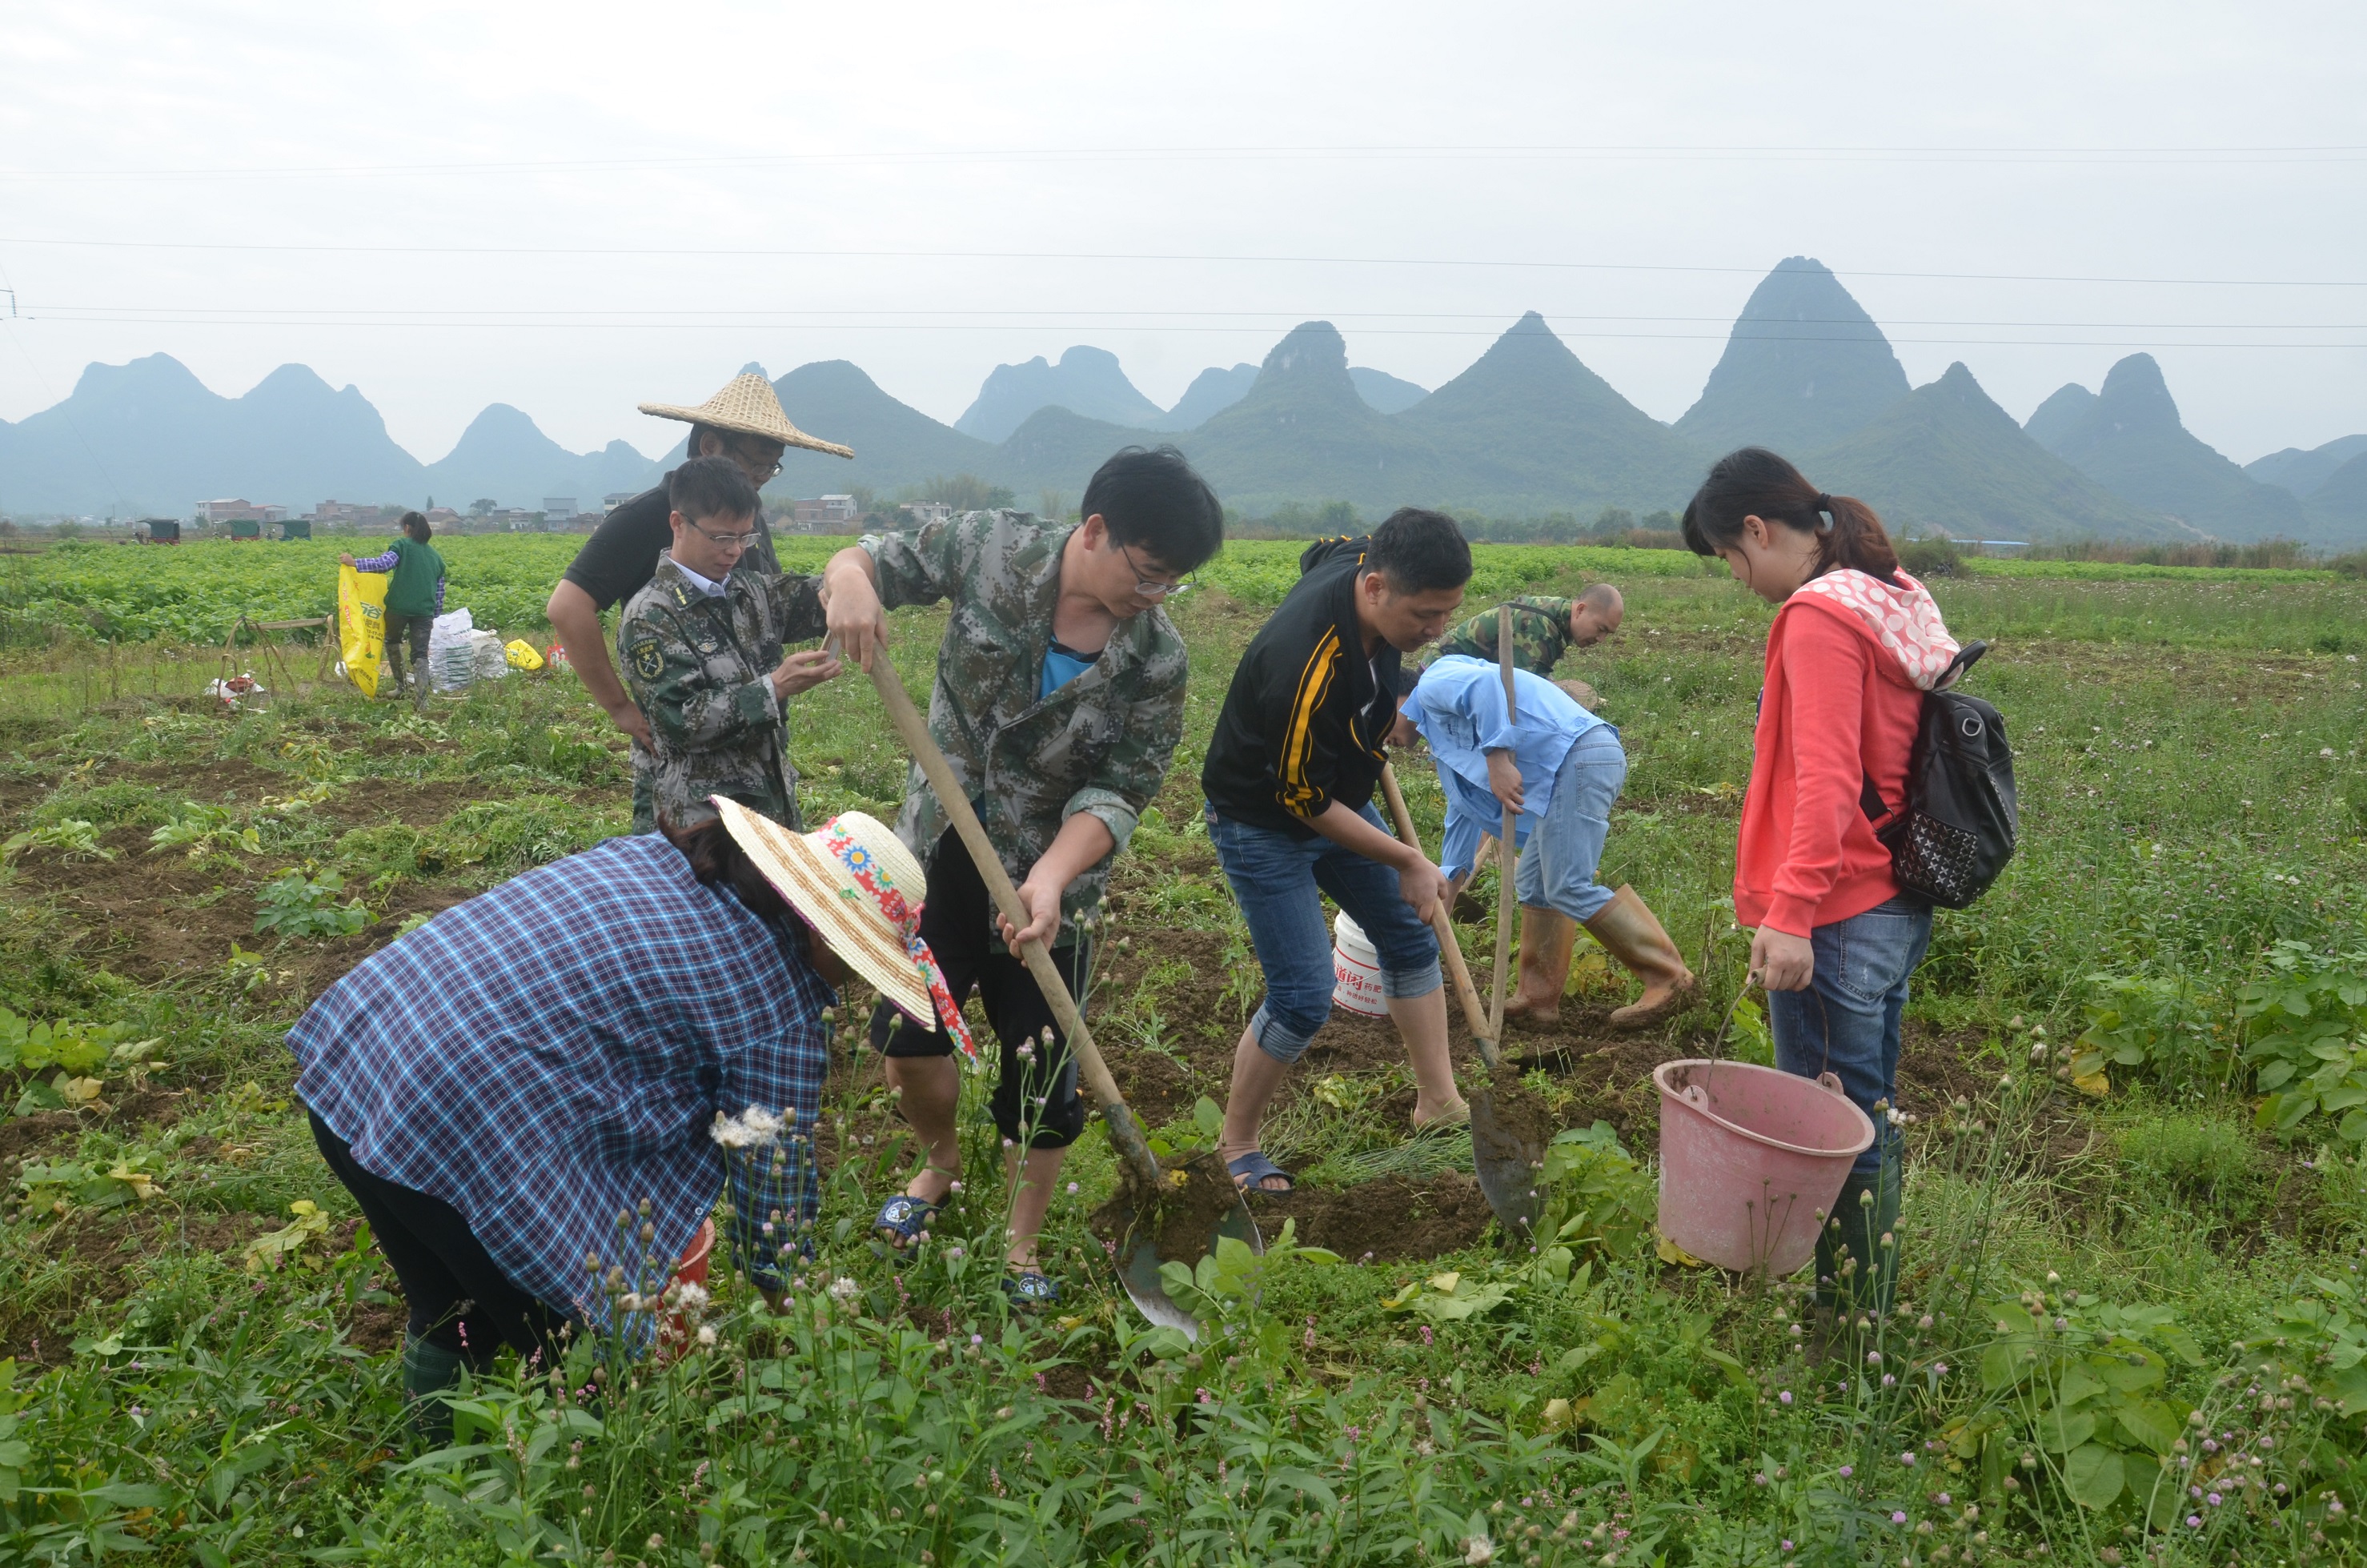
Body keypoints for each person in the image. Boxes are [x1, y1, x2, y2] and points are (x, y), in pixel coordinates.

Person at [287, 800, 972, 1439]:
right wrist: (802, 1331)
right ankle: (560, 1498)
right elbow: (774, 1197)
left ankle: (419, 1468)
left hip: (358, 1055)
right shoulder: (778, 1006)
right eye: (860, 963)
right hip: (458, 1125)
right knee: (576, 1354)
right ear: (827, 932)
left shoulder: (661, 856)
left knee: (451, 1310)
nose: (852, 982)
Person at [823, 445, 1226, 1307]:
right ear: (1094, 531)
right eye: (1148, 573)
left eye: (1170, 584)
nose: (1153, 596)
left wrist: (1049, 876)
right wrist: (848, 576)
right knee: (909, 1040)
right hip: (935, 856)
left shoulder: (1156, 659)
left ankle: (1021, 1245)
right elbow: (875, 558)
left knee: (1042, 1068)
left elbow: (1122, 785)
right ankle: (939, 1165)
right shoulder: (991, 548)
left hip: (1051, 889)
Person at [1681, 446, 1956, 1315]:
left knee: (1836, 1128)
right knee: (1867, 1110)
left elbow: (1828, 779)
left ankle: (1846, 1324)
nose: (1735, 577)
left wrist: (1790, 913)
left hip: (1837, 908)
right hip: (1892, 895)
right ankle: (1859, 1301)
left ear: (1757, 532)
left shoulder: (1816, 616)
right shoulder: (1889, 594)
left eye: (1729, 558)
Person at [1201, 510, 1473, 1194]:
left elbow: (1316, 548)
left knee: (1411, 939)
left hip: (1339, 793)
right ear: (1376, 586)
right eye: (1425, 614)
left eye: (1447, 612)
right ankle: (1236, 1144)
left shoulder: (1354, 558)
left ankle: (1438, 1103)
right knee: (1301, 996)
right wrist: (1408, 859)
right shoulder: (1303, 664)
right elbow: (1303, 801)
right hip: (1265, 820)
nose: (1436, 630)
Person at [546, 372, 851, 823]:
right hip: (691, 787)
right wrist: (622, 710)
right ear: (710, 447)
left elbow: (774, 601)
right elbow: (567, 608)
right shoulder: (644, 519)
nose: (763, 478)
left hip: (756, 763)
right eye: (756, 465)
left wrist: (852, 580)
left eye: (773, 468)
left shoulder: (747, 518)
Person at [1398, 658, 1696, 1031]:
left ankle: (1669, 976)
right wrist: (1448, 887)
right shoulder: (1443, 747)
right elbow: (1462, 814)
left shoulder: (1434, 681)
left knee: (1567, 883)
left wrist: (1497, 759)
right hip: (1562, 775)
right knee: (1535, 884)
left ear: (1392, 701)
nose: (1381, 740)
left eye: (1372, 724)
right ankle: (1538, 1000)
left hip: (1579, 754)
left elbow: (1487, 687)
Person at [616, 457, 844, 832]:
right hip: (700, 823)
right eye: (722, 538)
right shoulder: (651, 615)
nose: (735, 551)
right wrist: (775, 687)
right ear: (678, 523)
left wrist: (849, 585)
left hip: (768, 804)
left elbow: (813, 596)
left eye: (745, 537)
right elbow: (680, 722)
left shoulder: (750, 591)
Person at [1433, 584, 1623, 699]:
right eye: (1601, 629)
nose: (1601, 639)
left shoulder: (1557, 614)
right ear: (1580, 610)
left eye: (1608, 633)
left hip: (1468, 676)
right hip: (1441, 674)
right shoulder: (1539, 627)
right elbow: (1524, 694)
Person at [339, 510, 444, 706]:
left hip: (399, 608)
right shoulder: (436, 557)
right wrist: (433, 614)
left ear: (407, 528)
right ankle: (422, 700)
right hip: (424, 612)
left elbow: (384, 564)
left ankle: (402, 687)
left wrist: (355, 563)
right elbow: (439, 592)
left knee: (392, 641)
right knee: (420, 654)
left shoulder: (402, 545)